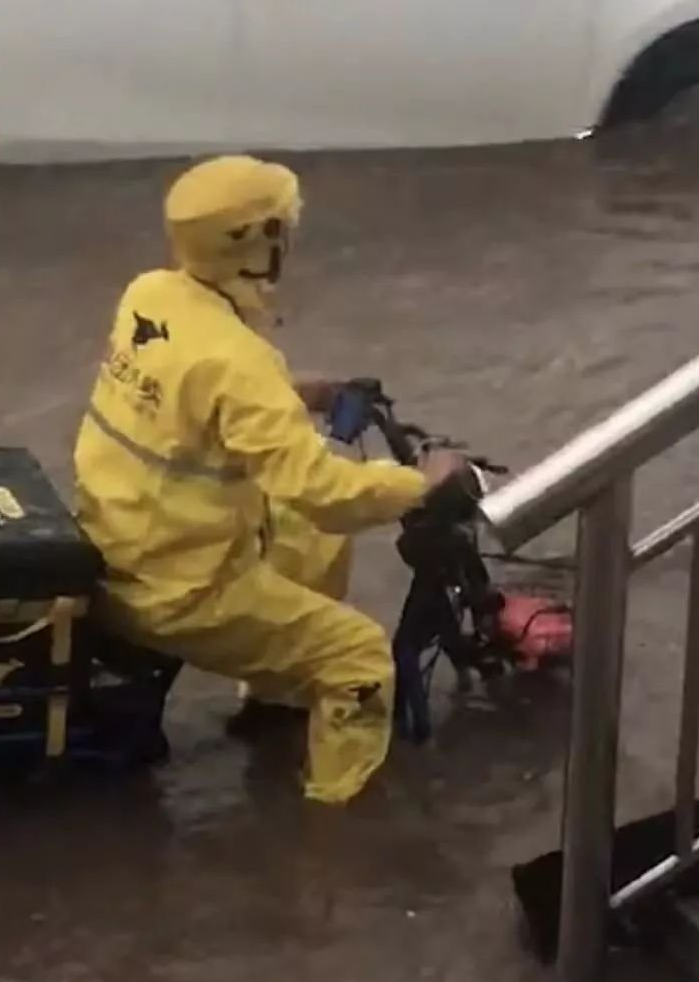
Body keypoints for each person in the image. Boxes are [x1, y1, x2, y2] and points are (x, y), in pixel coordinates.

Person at [73, 155, 468, 804]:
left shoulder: (150, 294)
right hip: (180, 588)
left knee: (312, 541)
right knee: (359, 659)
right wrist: (419, 482)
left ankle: (275, 695)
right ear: (259, 242)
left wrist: (294, 392)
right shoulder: (238, 362)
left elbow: (189, 389)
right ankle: (332, 818)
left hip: (119, 543)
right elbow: (324, 492)